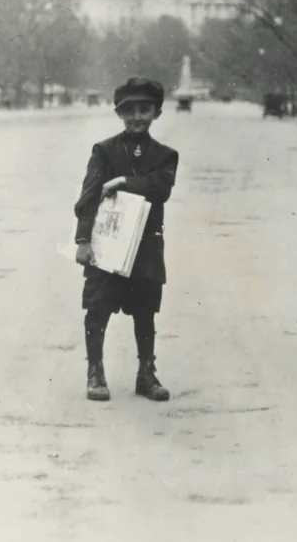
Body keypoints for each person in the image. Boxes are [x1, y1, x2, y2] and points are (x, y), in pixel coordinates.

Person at [73, 77, 179, 403]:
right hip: (106, 242)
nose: (137, 117)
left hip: (145, 245)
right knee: (97, 306)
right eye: (130, 110)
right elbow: (89, 196)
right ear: (119, 113)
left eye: (145, 110)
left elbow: (160, 189)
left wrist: (122, 182)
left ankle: (146, 373)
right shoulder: (104, 151)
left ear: (156, 114)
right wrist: (83, 239)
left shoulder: (165, 155)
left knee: (145, 309)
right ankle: (95, 371)